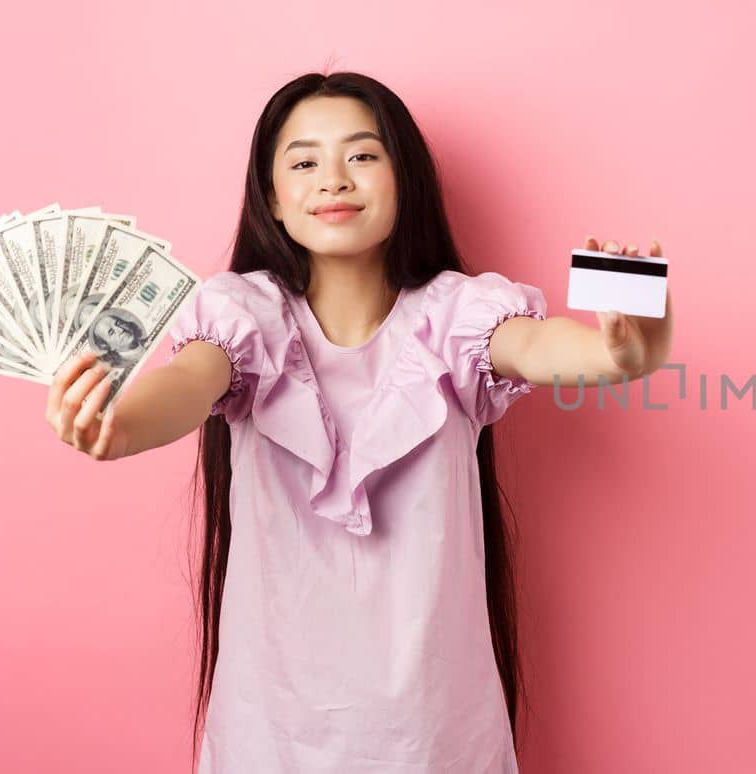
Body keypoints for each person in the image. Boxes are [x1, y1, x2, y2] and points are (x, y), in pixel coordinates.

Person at [42, 71, 674, 773]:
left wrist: (624, 349)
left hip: (435, 732)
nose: (334, 179)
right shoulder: (242, 314)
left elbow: (547, 348)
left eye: (363, 156)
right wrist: (115, 426)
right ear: (273, 200)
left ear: (405, 183)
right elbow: (187, 383)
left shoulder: (455, 314)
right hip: (270, 729)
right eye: (305, 161)